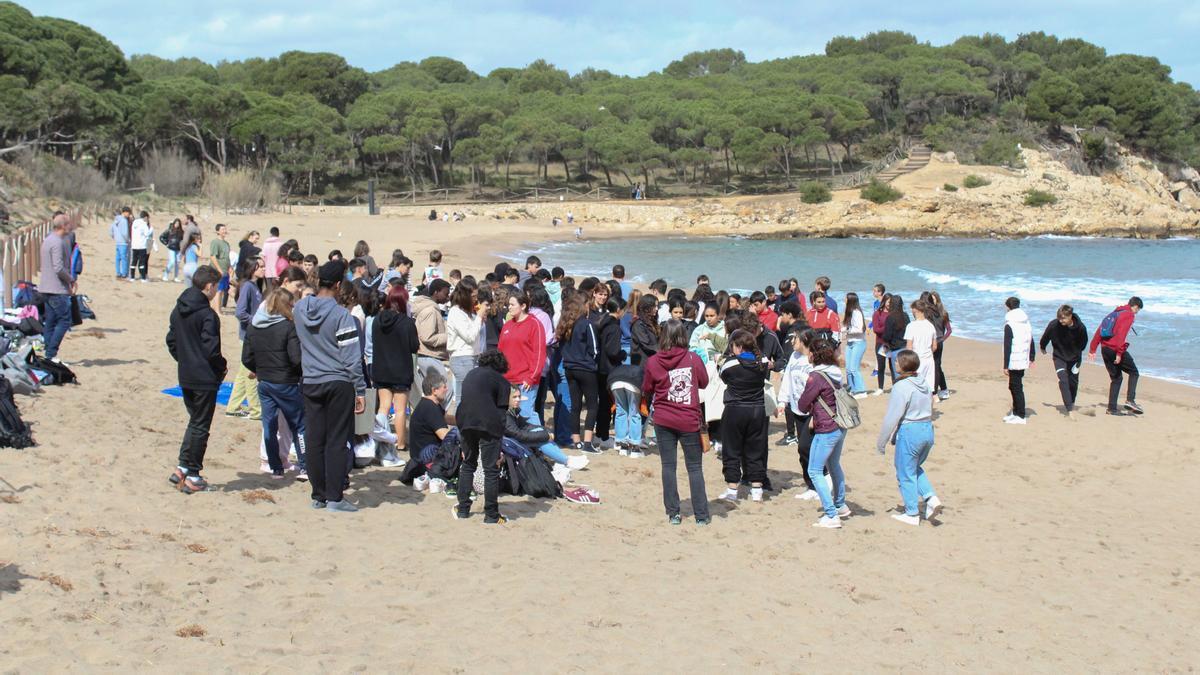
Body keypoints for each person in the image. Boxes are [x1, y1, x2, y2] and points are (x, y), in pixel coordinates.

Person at [294, 260, 367, 512]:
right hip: (338, 381)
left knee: (315, 438)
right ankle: (334, 497)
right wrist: (360, 389)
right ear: (337, 285)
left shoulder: (300, 308)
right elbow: (351, 358)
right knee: (336, 440)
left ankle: (319, 494)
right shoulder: (341, 316)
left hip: (312, 380)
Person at [635, 319, 709, 524]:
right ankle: (701, 516)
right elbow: (704, 382)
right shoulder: (693, 358)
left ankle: (673, 513)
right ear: (683, 337)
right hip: (688, 418)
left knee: (669, 466)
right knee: (694, 467)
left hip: (664, 418)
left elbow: (647, 387)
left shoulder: (653, 361)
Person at [166, 265, 227, 494]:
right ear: (209, 286)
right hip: (203, 377)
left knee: (195, 422)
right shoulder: (207, 314)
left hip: (187, 375)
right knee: (201, 425)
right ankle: (193, 474)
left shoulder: (179, 309)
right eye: (216, 287)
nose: (216, 291)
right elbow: (211, 350)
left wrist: (184, 360)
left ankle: (182, 467)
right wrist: (221, 366)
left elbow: (171, 340)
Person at [242, 288, 306, 479]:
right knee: (299, 425)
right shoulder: (288, 327)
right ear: (286, 306)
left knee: (269, 425)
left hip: (265, 383)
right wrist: (298, 373)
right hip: (285, 382)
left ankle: (275, 467)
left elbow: (246, 357)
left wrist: (260, 369)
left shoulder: (254, 326)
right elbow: (296, 359)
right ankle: (305, 466)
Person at [876, 350, 942, 526]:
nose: (895, 364)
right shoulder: (924, 383)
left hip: (911, 430)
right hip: (927, 429)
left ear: (903, 365)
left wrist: (881, 442)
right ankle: (930, 497)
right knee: (913, 467)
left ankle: (911, 512)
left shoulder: (901, 387)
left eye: (897, 362)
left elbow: (892, 416)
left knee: (904, 471)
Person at [453, 350, 513, 523]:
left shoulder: (471, 374)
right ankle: (491, 515)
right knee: (491, 470)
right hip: (489, 423)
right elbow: (502, 413)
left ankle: (463, 509)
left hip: (465, 421)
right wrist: (500, 442)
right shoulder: (502, 381)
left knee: (468, 465)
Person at [796, 338, 850, 529]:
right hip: (840, 425)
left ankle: (831, 513)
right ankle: (841, 505)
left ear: (814, 355)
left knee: (814, 470)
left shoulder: (816, 376)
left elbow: (802, 405)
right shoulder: (836, 373)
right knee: (833, 464)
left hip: (826, 428)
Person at [718, 329, 770, 503]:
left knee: (732, 449)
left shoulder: (730, 363)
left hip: (735, 409)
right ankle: (757, 489)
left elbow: (723, 377)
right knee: (756, 448)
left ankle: (732, 489)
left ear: (738, 346)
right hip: (757, 409)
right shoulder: (762, 361)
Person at [777, 329, 827, 501]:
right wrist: (782, 401)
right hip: (797, 409)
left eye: (795, 339)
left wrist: (816, 411)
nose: (792, 342)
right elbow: (787, 380)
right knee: (803, 450)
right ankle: (811, 485)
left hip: (814, 412)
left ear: (805, 340)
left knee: (807, 447)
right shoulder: (794, 357)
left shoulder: (814, 359)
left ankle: (822, 483)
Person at [373, 284, 420, 458]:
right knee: (400, 409)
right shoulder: (407, 322)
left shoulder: (378, 319)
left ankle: (382, 440)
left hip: (381, 369)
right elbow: (414, 346)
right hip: (400, 370)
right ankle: (400, 443)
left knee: (384, 407)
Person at [1088, 297, 1144, 416]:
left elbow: (1100, 330)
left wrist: (1093, 348)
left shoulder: (1115, 312)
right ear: (1135, 306)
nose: (1137, 312)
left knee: (1116, 379)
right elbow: (1121, 335)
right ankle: (1130, 400)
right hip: (1115, 349)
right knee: (1134, 372)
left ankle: (1112, 409)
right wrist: (1119, 353)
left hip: (1105, 349)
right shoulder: (1129, 315)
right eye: (1137, 310)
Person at [497, 290, 546, 423]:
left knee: (526, 417)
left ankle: (539, 442)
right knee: (507, 418)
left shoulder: (534, 324)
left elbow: (540, 354)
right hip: (506, 380)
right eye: (508, 305)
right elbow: (500, 352)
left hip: (525, 381)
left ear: (523, 306)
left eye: (512, 304)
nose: (509, 307)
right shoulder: (507, 325)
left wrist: (531, 378)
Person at [559, 296, 600, 452]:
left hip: (569, 368)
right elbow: (595, 349)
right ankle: (588, 443)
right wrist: (592, 361)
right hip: (586, 368)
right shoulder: (587, 324)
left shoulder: (565, 325)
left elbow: (562, 347)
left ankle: (576, 440)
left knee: (575, 406)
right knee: (592, 405)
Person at [226, 256, 265, 420]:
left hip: (253, 335)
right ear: (253, 269)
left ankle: (233, 406)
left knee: (243, 373)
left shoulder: (255, 286)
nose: (264, 269)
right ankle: (256, 410)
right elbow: (240, 312)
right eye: (260, 266)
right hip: (248, 336)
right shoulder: (248, 287)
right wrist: (256, 321)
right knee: (250, 372)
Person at [1040, 304, 1089, 417]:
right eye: (1059, 318)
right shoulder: (1054, 325)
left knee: (1073, 383)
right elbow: (1046, 336)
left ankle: (1071, 402)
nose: (1061, 321)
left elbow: (1083, 343)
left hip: (1075, 358)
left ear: (1070, 316)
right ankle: (1069, 409)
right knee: (1063, 379)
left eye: (1063, 318)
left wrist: (1076, 352)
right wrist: (1043, 346)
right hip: (1059, 356)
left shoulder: (1081, 327)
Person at [408, 369, 452, 491]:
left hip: (419, 457)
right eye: (444, 387)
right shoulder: (430, 408)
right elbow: (445, 435)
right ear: (434, 390)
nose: (446, 389)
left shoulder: (428, 404)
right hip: (427, 460)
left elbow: (445, 419)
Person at [39, 214, 75, 362]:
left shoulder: (47, 240)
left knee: (51, 321)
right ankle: (51, 353)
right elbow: (58, 268)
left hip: (46, 287)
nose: (71, 226)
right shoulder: (57, 242)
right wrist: (71, 279)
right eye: (69, 224)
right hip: (56, 288)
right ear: (63, 226)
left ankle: (49, 353)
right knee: (64, 320)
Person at [411, 279, 452, 402]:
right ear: (436, 292)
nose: (447, 297)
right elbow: (427, 337)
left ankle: (433, 415)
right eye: (445, 293)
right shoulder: (430, 311)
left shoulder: (430, 309)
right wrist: (449, 336)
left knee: (431, 391)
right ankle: (437, 415)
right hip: (428, 355)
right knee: (446, 389)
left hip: (427, 355)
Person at [446, 278, 484, 411]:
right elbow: (470, 337)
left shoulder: (467, 312)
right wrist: (479, 316)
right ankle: (458, 430)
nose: (475, 299)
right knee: (463, 399)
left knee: (470, 397)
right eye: (473, 296)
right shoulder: (456, 312)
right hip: (462, 358)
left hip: (470, 357)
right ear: (465, 296)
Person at [1002, 296, 1035, 425]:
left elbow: (1007, 345)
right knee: (1014, 386)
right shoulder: (1026, 322)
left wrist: (1005, 365)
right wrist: (1032, 356)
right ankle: (1016, 412)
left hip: (1015, 359)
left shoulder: (1009, 324)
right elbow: (1031, 339)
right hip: (1023, 358)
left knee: (1016, 387)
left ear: (1008, 308)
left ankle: (1020, 415)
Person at [904, 299, 938, 397]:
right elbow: (934, 346)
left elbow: (909, 347)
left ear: (915, 311)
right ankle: (928, 410)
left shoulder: (911, 326)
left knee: (915, 388)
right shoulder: (930, 325)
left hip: (916, 360)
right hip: (929, 359)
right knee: (929, 388)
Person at [841, 292, 868, 398]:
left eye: (846, 299)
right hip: (850, 342)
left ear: (850, 300)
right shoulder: (850, 312)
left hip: (859, 342)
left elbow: (860, 329)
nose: (844, 300)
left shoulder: (857, 312)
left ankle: (861, 391)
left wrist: (846, 331)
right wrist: (841, 330)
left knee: (854, 368)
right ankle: (851, 389)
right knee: (848, 369)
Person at [882, 295, 909, 383]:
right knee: (907, 373)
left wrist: (885, 340)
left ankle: (900, 394)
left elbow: (887, 335)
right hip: (907, 347)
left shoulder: (890, 318)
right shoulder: (906, 316)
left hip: (896, 349)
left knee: (898, 374)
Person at [871, 293, 892, 395]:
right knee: (881, 365)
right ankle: (880, 388)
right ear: (884, 302)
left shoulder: (894, 313)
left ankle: (895, 386)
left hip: (893, 343)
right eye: (889, 302)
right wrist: (889, 327)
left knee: (893, 366)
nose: (890, 304)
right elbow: (876, 329)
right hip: (882, 343)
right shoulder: (877, 314)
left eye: (892, 302)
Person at [209, 224, 233, 309]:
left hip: (225, 270)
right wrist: (219, 269)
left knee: (222, 290)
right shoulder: (215, 242)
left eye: (225, 229)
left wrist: (230, 267)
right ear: (217, 231)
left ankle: (216, 308)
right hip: (217, 270)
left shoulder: (226, 243)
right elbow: (213, 257)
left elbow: (227, 257)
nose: (224, 231)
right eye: (222, 229)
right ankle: (218, 311)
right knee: (218, 290)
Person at [630, 295, 659, 366]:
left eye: (657, 306)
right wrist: (663, 351)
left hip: (651, 360)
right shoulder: (639, 324)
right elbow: (646, 345)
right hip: (642, 363)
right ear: (647, 307)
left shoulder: (651, 321)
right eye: (655, 306)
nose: (657, 309)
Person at [129, 211, 153, 282]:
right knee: (142, 262)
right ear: (145, 217)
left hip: (134, 245)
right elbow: (147, 234)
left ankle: (132, 277)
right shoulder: (143, 224)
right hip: (142, 246)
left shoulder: (134, 223)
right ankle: (143, 278)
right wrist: (151, 229)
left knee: (134, 261)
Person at [109, 206, 132, 279]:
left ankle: (118, 272)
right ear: (125, 212)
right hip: (123, 242)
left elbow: (110, 230)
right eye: (129, 213)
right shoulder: (124, 220)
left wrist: (114, 237)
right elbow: (125, 233)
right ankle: (124, 273)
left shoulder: (116, 219)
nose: (129, 215)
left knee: (118, 258)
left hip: (118, 242)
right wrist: (127, 240)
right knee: (124, 258)